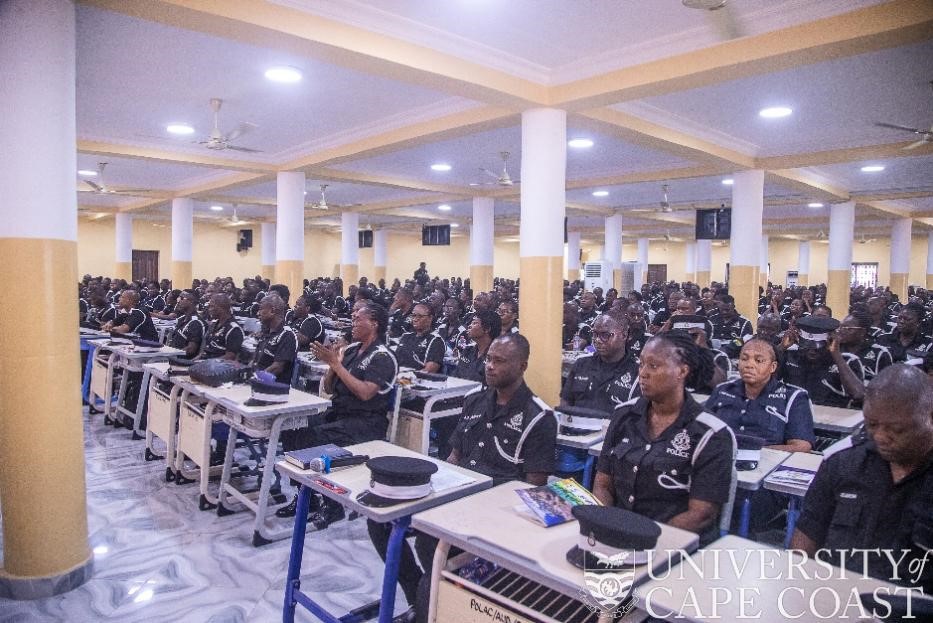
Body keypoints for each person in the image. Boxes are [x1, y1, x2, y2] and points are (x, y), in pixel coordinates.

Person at [368, 333, 557, 623]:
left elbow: (533, 487)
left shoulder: (538, 418)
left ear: (522, 366)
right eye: (489, 359)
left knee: (430, 542)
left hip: (495, 512)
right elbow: (454, 457)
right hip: (456, 495)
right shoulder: (474, 400)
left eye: (500, 361)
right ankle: (420, 596)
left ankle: (427, 609)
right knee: (381, 518)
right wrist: (435, 491)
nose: (490, 366)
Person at [790, 365, 933, 594]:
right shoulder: (842, 466)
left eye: (895, 429)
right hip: (837, 600)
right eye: (872, 424)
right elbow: (805, 540)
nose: (880, 436)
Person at [593, 331, 736, 545]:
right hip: (619, 536)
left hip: (675, 545)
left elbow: (701, 515)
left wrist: (645, 540)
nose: (642, 373)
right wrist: (606, 526)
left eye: (653, 366)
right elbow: (603, 485)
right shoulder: (624, 416)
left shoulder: (711, 434)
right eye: (641, 364)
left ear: (682, 371)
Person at [277, 302, 398, 521]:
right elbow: (330, 388)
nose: (352, 322)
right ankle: (306, 494)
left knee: (313, 437)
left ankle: (332, 504)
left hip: (365, 423)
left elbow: (365, 393)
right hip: (339, 413)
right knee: (293, 426)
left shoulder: (383, 357)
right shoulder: (352, 350)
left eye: (357, 318)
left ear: (374, 324)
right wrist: (333, 365)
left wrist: (336, 364)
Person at [706, 338, 814, 452]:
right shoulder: (723, 390)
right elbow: (700, 430)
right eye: (744, 359)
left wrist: (755, 452)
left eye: (758, 360)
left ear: (772, 367)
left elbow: (801, 446)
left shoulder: (793, 397)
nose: (749, 365)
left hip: (768, 463)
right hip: (719, 459)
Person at [560, 311, 640, 413]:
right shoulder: (582, 363)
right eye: (595, 334)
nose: (597, 340)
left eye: (605, 335)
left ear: (624, 336)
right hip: (576, 425)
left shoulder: (637, 373)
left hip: (613, 428)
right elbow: (565, 402)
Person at [780, 315, 865, 408]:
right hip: (793, 413)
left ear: (830, 341)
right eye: (807, 347)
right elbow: (763, 378)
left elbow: (859, 394)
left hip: (831, 417)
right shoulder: (790, 355)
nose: (812, 351)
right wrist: (781, 347)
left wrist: (836, 354)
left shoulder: (848, 360)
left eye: (817, 348)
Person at [250, 293, 298, 384]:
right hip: (256, 381)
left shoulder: (287, 335)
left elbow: (277, 368)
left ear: (272, 311)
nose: (257, 313)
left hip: (272, 388)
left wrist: (254, 378)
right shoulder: (266, 332)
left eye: (260, 309)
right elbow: (255, 360)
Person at [837, 310, 893, 382]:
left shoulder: (879, 353)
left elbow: (886, 384)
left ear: (862, 332)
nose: (842, 331)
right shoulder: (835, 350)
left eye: (848, 329)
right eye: (840, 327)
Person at [451, 310, 500, 383]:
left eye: (475, 323)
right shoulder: (467, 350)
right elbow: (456, 375)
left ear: (487, 329)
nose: (469, 326)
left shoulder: (497, 356)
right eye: (471, 323)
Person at [394, 303, 445, 373]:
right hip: (397, 377)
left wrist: (406, 377)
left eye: (419, 316)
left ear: (430, 318)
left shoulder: (436, 341)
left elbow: (429, 371)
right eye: (413, 315)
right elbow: (394, 361)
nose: (415, 319)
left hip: (416, 380)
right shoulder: (406, 336)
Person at [201, 294, 245, 360]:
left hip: (217, 366)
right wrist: (192, 362)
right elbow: (203, 353)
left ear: (221, 308)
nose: (209, 310)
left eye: (211, 306)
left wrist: (209, 363)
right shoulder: (214, 324)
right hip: (203, 362)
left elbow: (230, 356)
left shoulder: (234, 329)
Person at [168, 290, 205, 358]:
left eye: (181, 298)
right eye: (178, 298)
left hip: (182, 361)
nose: (178, 301)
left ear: (191, 301)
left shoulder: (196, 323)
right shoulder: (182, 318)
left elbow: (191, 349)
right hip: (173, 355)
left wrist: (171, 354)